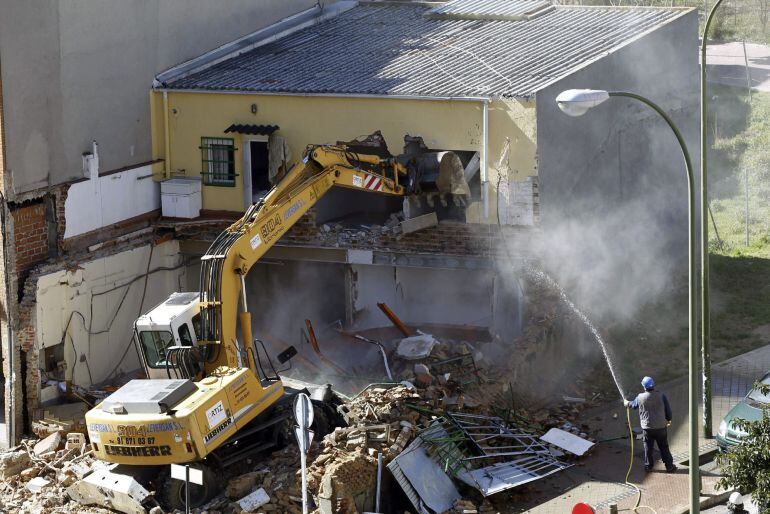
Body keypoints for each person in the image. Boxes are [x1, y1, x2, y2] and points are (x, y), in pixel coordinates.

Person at [623, 376, 677, 473]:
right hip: (661, 427)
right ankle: (669, 466)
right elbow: (668, 410)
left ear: (644, 386)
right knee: (664, 447)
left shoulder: (640, 397)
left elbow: (633, 405)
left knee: (648, 448)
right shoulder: (661, 395)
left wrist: (626, 403)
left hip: (647, 429)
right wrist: (669, 419)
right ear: (653, 385)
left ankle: (648, 466)